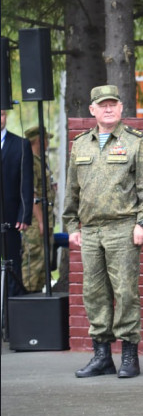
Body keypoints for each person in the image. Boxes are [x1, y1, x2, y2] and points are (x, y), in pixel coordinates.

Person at [64, 85, 143, 379]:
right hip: (91, 231)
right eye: (102, 105)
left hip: (123, 229)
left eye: (113, 104)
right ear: (92, 110)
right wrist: (70, 225)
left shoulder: (136, 142)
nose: (108, 109)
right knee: (94, 293)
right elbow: (72, 190)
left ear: (120, 109)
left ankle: (129, 355)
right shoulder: (80, 144)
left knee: (126, 292)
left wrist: (142, 223)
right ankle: (101, 356)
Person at [1, 109, 33, 298]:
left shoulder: (21, 144)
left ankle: (11, 308)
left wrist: (24, 214)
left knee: (12, 263)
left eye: (2, 114)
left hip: (11, 215)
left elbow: (26, 182)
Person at [21, 126, 55, 293]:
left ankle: (38, 293)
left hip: (46, 219)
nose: (48, 143)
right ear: (39, 141)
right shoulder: (31, 163)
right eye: (46, 139)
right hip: (36, 222)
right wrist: (41, 221)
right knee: (34, 260)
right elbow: (32, 196)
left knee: (45, 261)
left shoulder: (42, 161)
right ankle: (28, 296)